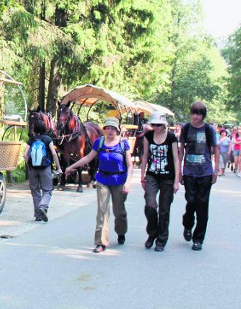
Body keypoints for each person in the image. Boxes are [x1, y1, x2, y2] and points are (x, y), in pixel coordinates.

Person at [65, 117, 133, 253]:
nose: (110, 131)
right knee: (102, 211)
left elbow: (130, 165)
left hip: (119, 179)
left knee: (119, 212)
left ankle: (121, 232)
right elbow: (88, 157)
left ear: (117, 130)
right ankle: (101, 242)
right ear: (105, 130)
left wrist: (128, 182)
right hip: (103, 179)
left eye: (113, 128)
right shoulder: (100, 142)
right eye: (108, 128)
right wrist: (71, 166)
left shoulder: (123, 144)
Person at [179, 101, 219, 251]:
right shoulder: (186, 128)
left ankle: (198, 239)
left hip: (205, 172)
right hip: (189, 171)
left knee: (202, 205)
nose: (195, 116)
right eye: (193, 113)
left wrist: (215, 172)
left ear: (203, 115)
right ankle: (188, 224)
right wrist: (179, 172)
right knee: (191, 201)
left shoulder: (208, 129)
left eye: (199, 114)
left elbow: (215, 149)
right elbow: (181, 149)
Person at [140, 112, 180, 252]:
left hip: (168, 177)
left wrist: (176, 180)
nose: (156, 127)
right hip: (152, 175)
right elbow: (145, 156)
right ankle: (152, 232)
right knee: (150, 205)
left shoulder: (171, 137)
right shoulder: (148, 136)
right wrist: (142, 176)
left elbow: (176, 159)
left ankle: (161, 240)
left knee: (164, 210)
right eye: (153, 125)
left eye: (158, 125)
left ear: (164, 125)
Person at [24, 120, 62, 222]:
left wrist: (29, 164)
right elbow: (54, 154)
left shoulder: (31, 139)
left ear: (34, 128)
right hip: (45, 168)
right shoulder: (48, 139)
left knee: (35, 191)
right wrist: (58, 167)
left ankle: (38, 215)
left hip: (33, 168)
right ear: (45, 128)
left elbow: (25, 154)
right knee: (47, 190)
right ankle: (43, 206)